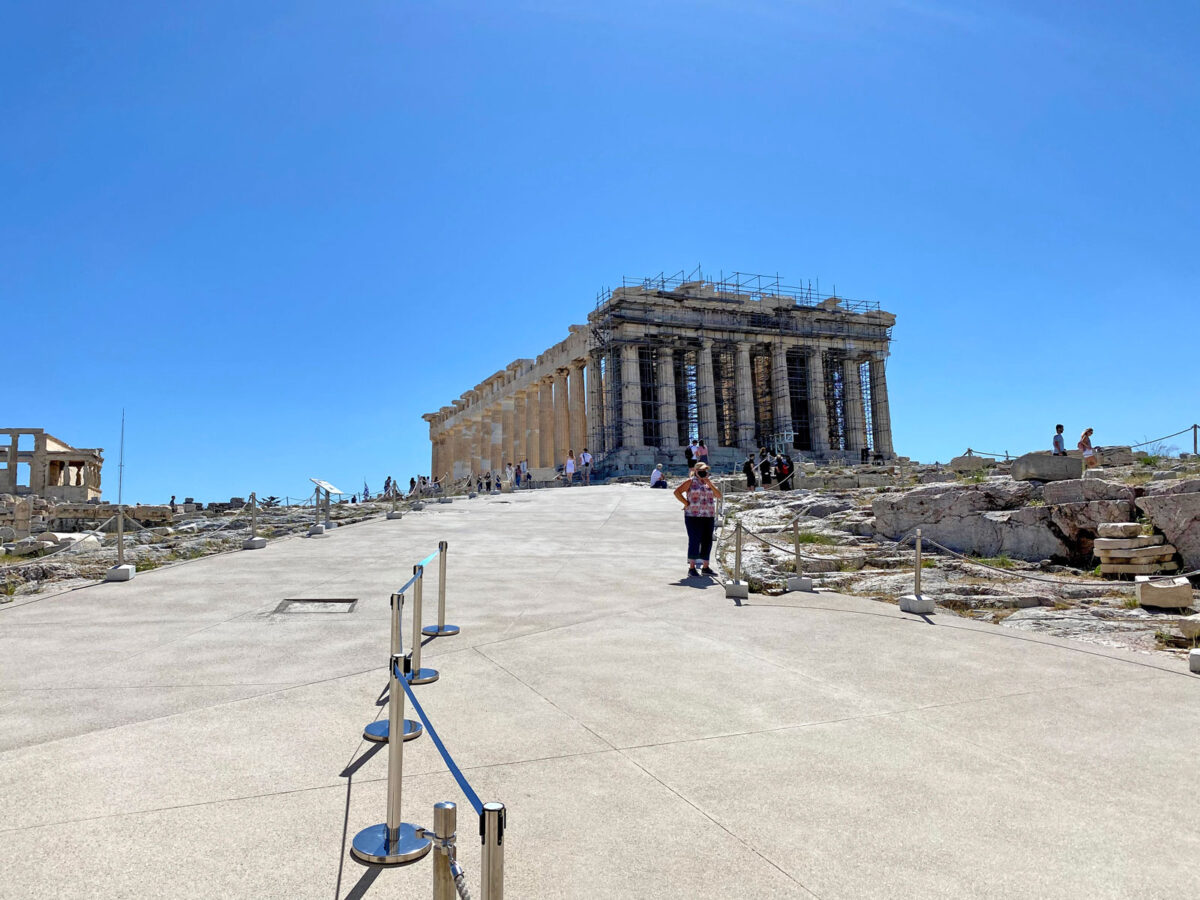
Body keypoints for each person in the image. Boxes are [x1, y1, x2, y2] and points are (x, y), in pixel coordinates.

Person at [673, 462, 722, 577]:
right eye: (702, 470)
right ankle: (692, 568)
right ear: (696, 471)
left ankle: (705, 567)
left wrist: (709, 482)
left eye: (706, 470)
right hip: (693, 516)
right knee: (694, 540)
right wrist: (686, 502)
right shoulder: (690, 481)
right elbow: (677, 492)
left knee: (707, 541)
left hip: (708, 515)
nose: (704, 472)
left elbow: (718, 495)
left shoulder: (709, 483)